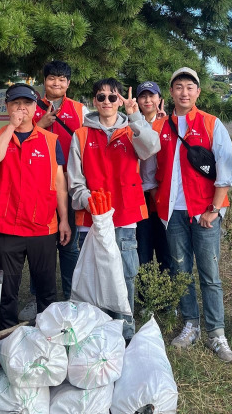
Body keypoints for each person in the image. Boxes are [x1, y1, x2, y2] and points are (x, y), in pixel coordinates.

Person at [143, 67, 232, 362]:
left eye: (190, 87)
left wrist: (215, 208)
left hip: (204, 212)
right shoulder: (160, 127)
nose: (184, 92)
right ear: (170, 93)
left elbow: (225, 166)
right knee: (181, 273)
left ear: (198, 92)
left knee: (210, 274)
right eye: (178, 87)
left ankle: (217, 333)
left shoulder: (211, 123)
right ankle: (190, 324)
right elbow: (148, 170)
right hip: (172, 214)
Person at [68, 78, 160, 341]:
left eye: (112, 97)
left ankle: (125, 328)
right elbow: (75, 180)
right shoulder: (82, 134)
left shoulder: (132, 130)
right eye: (101, 97)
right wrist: (90, 201)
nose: (106, 102)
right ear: (93, 102)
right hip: (92, 218)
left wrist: (135, 117)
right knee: (93, 274)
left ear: (120, 100)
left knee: (125, 272)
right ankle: (94, 328)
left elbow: (152, 148)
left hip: (125, 216)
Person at [0, 83, 71, 331]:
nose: (22, 108)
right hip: (7, 226)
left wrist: (63, 219)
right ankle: (6, 338)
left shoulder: (51, 141)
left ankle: (48, 335)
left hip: (43, 226)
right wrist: (11, 126)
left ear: (35, 109)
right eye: (16, 103)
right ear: (7, 106)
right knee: (7, 288)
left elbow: (60, 184)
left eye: (27, 104)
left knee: (46, 288)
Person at [17, 61, 89, 322]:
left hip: (69, 185)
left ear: (68, 83)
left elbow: (88, 145)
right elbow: (19, 142)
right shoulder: (31, 108)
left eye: (62, 79)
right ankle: (37, 297)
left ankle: (71, 297)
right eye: (51, 79)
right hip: (37, 187)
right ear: (43, 80)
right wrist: (43, 124)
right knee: (40, 245)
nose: (56, 83)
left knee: (69, 245)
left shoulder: (80, 110)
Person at [135, 81, 171, 272]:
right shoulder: (132, 124)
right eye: (143, 96)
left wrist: (162, 123)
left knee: (166, 246)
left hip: (163, 193)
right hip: (140, 194)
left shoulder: (169, 124)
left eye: (152, 96)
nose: (148, 100)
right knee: (143, 246)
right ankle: (146, 294)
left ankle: (167, 292)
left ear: (159, 98)